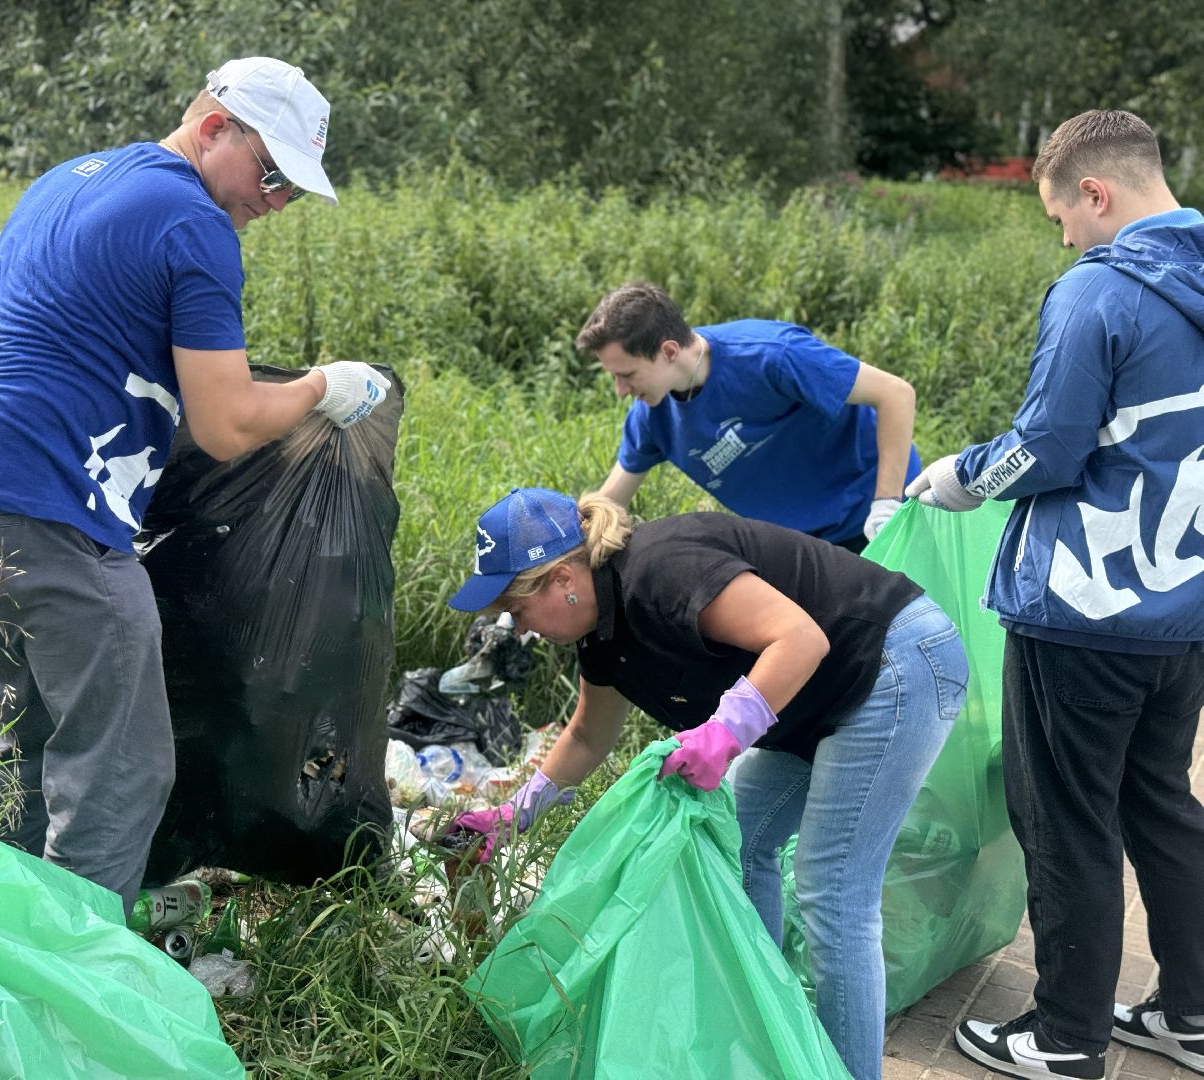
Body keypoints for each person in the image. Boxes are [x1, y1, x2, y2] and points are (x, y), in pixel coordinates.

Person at [0, 56, 391, 918]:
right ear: (214, 129)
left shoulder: (74, 178)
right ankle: (76, 973)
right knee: (123, 765)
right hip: (46, 511)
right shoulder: (193, 223)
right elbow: (227, 424)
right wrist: (325, 387)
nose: (276, 201)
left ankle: (12, 929)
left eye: (292, 188)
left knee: (30, 735)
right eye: (270, 174)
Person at [447, 486, 968, 1080]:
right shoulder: (601, 633)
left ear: (562, 578)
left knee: (832, 890)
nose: (518, 627)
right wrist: (514, 814)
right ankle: (768, 1039)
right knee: (738, 842)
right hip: (815, 699)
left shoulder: (661, 571)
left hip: (893, 661)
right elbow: (589, 736)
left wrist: (725, 731)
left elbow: (800, 638)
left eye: (516, 608)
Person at [904, 110, 1204, 1080]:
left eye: (1061, 218)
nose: (1065, 239)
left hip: (1083, 613)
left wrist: (959, 477)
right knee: (1161, 804)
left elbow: (1046, 447)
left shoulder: (1098, 291)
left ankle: (1066, 1035)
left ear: (1095, 193)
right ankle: (1193, 1014)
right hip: (1185, 611)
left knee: (1067, 818)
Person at [576, 282, 921, 551]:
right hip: (807, 547)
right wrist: (556, 557)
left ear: (668, 351)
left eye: (627, 375)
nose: (620, 390)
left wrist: (887, 505)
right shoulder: (651, 418)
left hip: (881, 517)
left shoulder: (773, 355)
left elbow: (895, 394)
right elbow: (609, 505)